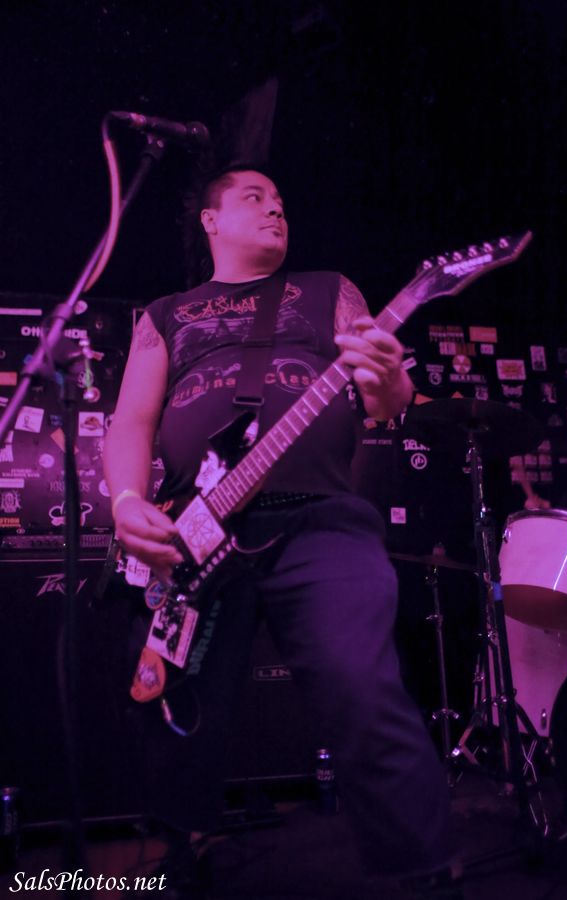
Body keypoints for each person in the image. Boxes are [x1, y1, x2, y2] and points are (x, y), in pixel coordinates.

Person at [103, 164, 460, 898]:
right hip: (196, 534)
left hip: (320, 519)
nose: (276, 209)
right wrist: (127, 500)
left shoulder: (330, 290)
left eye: (282, 202)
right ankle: (185, 849)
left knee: (363, 685)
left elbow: (384, 400)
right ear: (210, 220)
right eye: (255, 198)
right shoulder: (165, 314)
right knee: (178, 700)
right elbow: (132, 421)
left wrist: (388, 374)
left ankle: (424, 871)